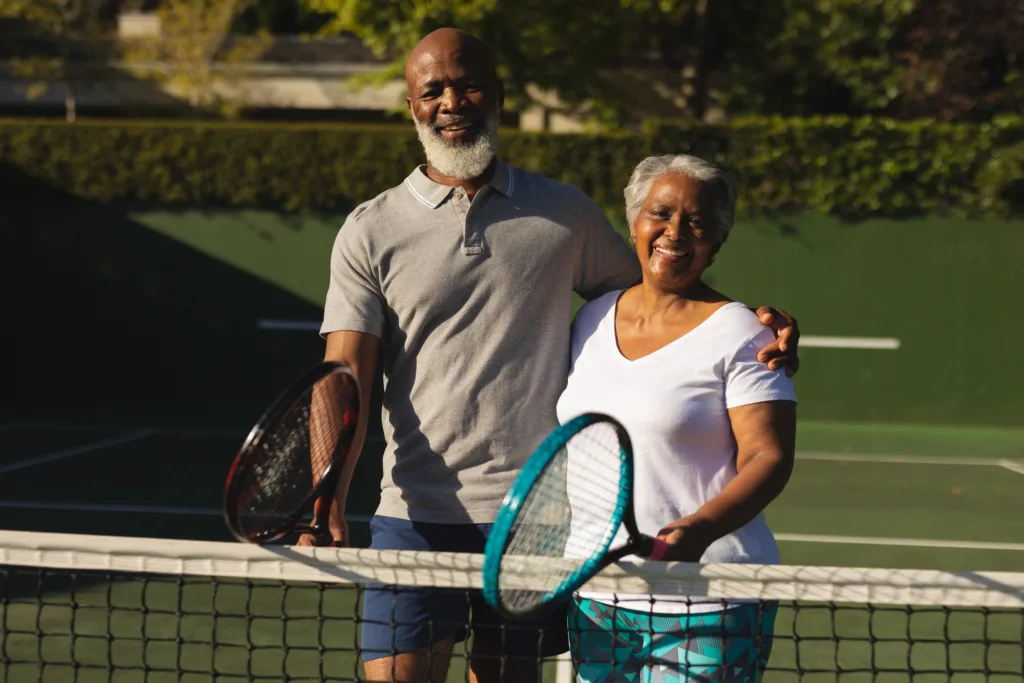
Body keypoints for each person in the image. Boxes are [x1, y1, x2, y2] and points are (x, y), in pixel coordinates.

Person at [302, 28, 801, 683]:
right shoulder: (371, 228)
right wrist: (324, 492)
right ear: (413, 106)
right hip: (412, 517)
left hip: (538, 523)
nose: (453, 101)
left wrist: (751, 323)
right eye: (434, 90)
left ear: (500, 95)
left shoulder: (565, 213)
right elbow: (344, 376)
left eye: (470, 84)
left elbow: (663, 289)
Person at [556, 154, 798, 683]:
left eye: (697, 223)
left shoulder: (745, 334)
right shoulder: (590, 319)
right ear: (634, 222)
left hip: (709, 596)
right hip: (598, 596)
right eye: (660, 214)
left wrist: (698, 528)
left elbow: (769, 455)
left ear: (718, 240)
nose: (675, 233)